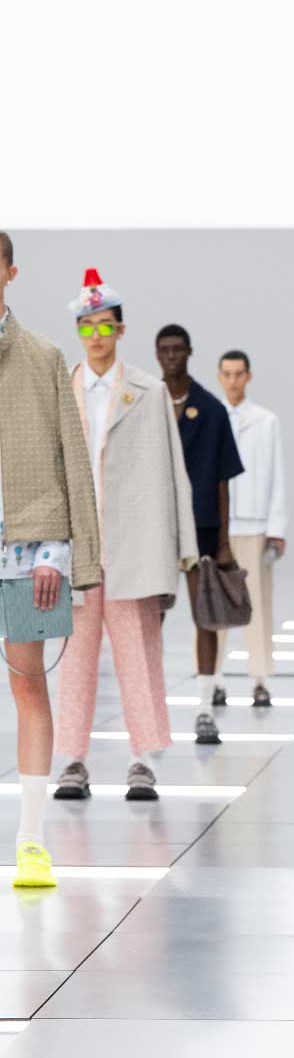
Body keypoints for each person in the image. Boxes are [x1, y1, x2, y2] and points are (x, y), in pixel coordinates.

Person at [52, 271, 197, 804]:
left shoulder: (148, 392)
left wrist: (183, 548)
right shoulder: (60, 390)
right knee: (74, 658)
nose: (95, 335)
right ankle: (72, 760)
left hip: (133, 544)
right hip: (76, 546)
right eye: (86, 326)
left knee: (139, 654)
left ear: (120, 329)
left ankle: (144, 760)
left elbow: (174, 469)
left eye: (104, 325)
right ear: (78, 331)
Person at [0, 232, 101, 888]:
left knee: (28, 685)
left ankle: (31, 840)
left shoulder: (42, 357)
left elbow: (74, 462)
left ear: (9, 272)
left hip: (28, 551)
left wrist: (66, 556)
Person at [155, 324, 244, 743]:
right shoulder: (146, 403)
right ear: (157, 354)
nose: (172, 356)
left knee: (205, 615)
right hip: (154, 527)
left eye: (178, 349)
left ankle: (205, 708)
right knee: (148, 619)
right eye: (165, 350)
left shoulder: (210, 409)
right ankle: (149, 705)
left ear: (189, 352)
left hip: (202, 526)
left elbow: (224, 479)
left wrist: (225, 541)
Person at [213, 350, 287, 708]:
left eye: (238, 374)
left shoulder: (266, 421)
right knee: (213, 605)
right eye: (227, 374)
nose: (232, 381)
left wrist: (276, 528)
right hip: (217, 527)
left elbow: (277, 475)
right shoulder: (210, 418)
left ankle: (260, 678)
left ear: (248, 376)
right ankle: (213, 678)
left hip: (255, 525)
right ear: (219, 376)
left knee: (257, 603)